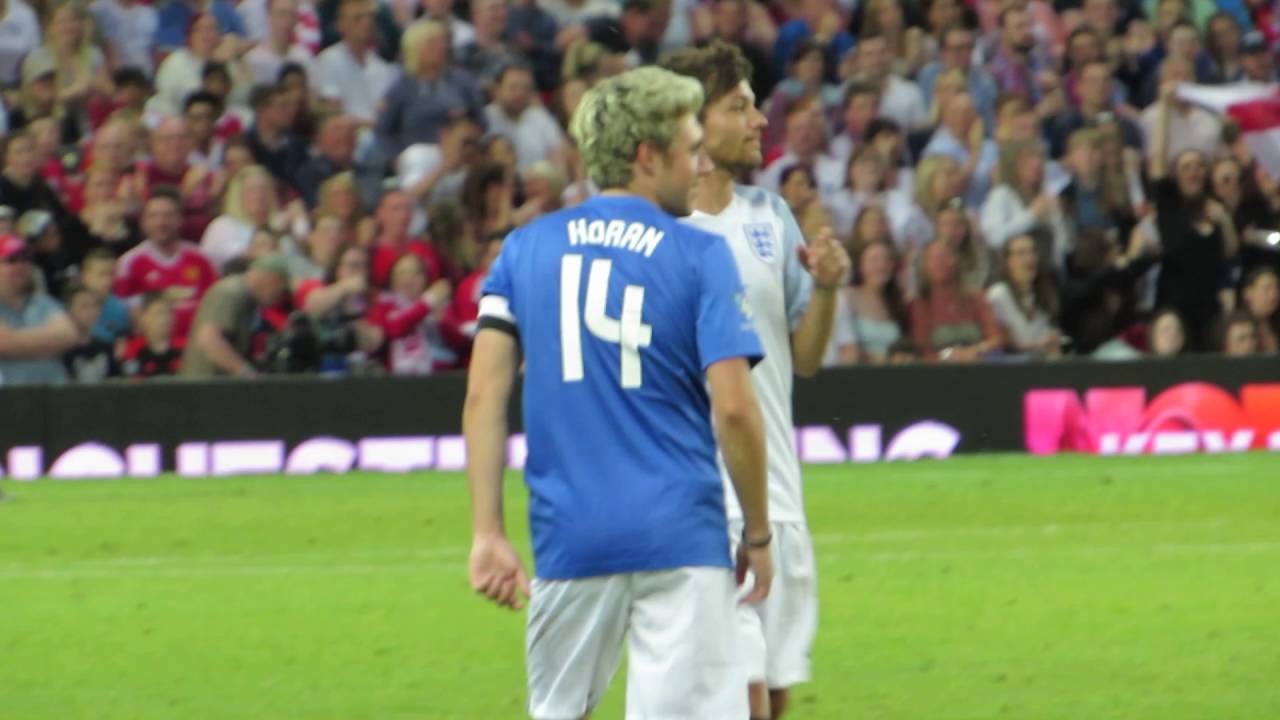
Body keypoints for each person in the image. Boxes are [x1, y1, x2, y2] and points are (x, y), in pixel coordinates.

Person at [464, 66, 772, 720]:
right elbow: (736, 409)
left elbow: (483, 396)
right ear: (647, 156)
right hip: (681, 535)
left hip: (570, 538)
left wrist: (488, 531)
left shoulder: (524, 250)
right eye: (691, 149)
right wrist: (760, 532)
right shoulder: (700, 254)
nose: (701, 164)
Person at [663, 40, 849, 719]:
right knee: (738, 697)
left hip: (777, 495)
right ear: (695, 122)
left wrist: (825, 290)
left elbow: (805, 359)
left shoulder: (770, 218)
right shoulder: (659, 228)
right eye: (739, 107)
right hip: (701, 497)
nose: (759, 120)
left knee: (773, 692)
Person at [115, 189, 220, 339]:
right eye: (153, 216)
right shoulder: (129, 263)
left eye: (168, 215)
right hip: (153, 346)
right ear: (143, 222)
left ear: (180, 219)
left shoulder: (202, 259)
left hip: (197, 342)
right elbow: (126, 314)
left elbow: (216, 305)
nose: (161, 222)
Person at [180, 253, 288, 377]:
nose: (280, 296)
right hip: (206, 382)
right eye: (281, 289)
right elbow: (209, 338)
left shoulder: (248, 298)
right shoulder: (232, 292)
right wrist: (247, 373)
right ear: (272, 280)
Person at [0, 233, 83, 385]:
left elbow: (69, 335)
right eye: (11, 260)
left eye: (24, 259)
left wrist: (16, 341)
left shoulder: (43, 302)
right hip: (8, 395)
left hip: (54, 393)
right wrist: (48, 342)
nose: (20, 265)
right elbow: (4, 343)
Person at [910, 239, 1004, 361]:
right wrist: (947, 355)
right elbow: (920, 351)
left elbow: (996, 339)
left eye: (944, 257)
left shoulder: (976, 298)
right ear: (924, 266)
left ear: (955, 261)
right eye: (933, 259)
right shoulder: (920, 305)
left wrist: (975, 350)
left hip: (978, 363)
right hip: (937, 368)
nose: (939, 263)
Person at [313, 0, 399, 123]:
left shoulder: (381, 66)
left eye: (369, 17)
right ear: (341, 25)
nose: (366, 23)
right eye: (358, 18)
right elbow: (332, 111)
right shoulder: (329, 60)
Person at [986, 234, 1064, 357]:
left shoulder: (1043, 294)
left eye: (1032, 251)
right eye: (1021, 253)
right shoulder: (998, 294)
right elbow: (1006, 345)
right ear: (1007, 261)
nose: (1029, 258)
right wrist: (1041, 344)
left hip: (1043, 362)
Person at [61, 281, 117, 382]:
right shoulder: (61, 351)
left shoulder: (105, 347)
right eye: (85, 306)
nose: (92, 312)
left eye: (95, 306)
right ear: (68, 310)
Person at [120, 292, 184, 377]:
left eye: (169, 312)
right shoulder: (133, 349)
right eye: (159, 313)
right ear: (144, 318)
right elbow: (130, 381)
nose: (165, 319)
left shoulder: (185, 347)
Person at [1239, 265, 1279, 353]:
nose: (1274, 294)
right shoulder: (1238, 325)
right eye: (1267, 289)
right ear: (1248, 293)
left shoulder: (1276, 324)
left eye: (1276, 288)